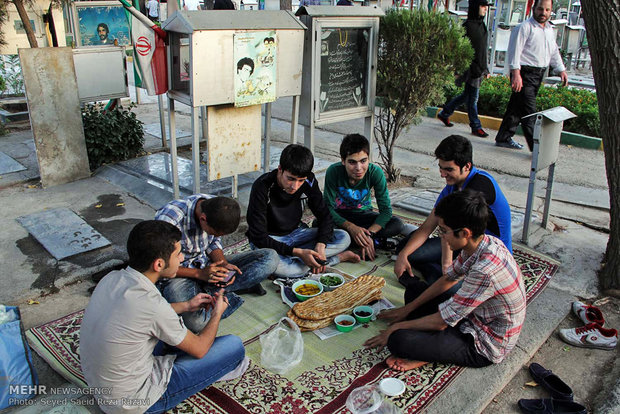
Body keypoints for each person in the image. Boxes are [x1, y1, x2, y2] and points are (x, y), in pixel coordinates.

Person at [80, 220, 247, 414]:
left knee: (165, 336)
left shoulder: (112, 278)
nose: (182, 257)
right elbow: (200, 349)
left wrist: (186, 305)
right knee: (234, 346)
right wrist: (216, 313)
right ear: (159, 264)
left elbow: (141, 314)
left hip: (102, 387)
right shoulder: (152, 305)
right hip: (134, 403)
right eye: (178, 254)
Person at [364, 191, 526, 372]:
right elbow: (449, 278)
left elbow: (441, 322)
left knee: (398, 340)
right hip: (470, 316)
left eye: (444, 231)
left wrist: (395, 328)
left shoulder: (486, 271)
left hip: (483, 342)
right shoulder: (481, 243)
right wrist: (406, 310)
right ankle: (433, 344)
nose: (442, 237)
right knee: (414, 290)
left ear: (465, 232)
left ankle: (429, 354)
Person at [395, 135, 512, 296]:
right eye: (441, 168)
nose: (443, 174)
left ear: (467, 166)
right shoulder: (451, 187)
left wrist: (447, 266)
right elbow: (427, 227)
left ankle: (435, 274)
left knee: (450, 291)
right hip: (459, 244)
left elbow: (449, 230)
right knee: (405, 248)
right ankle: (434, 274)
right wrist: (403, 255)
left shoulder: (480, 187)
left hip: (486, 255)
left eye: (449, 169)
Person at [155, 195, 278, 333]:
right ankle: (223, 294)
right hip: (178, 274)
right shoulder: (170, 219)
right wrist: (199, 274)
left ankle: (212, 291)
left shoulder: (215, 204)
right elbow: (160, 267)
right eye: (214, 232)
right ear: (203, 219)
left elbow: (213, 242)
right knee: (196, 323)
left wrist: (223, 264)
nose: (216, 236)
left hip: (207, 265)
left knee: (270, 258)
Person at [246, 144, 360, 278]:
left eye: (301, 180)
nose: (295, 186)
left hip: (297, 233)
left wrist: (321, 245)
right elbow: (258, 236)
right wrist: (298, 252)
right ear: (280, 169)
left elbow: (325, 216)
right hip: (270, 239)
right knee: (280, 266)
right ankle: (334, 259)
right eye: (290, 179)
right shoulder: (262, 187)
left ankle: (307, 261)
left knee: (343, 237)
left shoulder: (309, 181)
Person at [495, 0, 568, 150]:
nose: (543, 13)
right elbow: (515, 51)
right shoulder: (524, 28)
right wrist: (516, 74)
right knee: (530, 112)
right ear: (534, 8)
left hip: (538, 74)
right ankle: (537, 149)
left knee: (516, 107)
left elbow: (553, 51)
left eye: (547, 10)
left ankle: (503, 137)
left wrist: (561, 69)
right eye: (540, 9)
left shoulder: (549, 30)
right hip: (524, 73)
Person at [323, 134, 404, 261]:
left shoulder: (375, 173)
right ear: (343, 161)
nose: (359, 168)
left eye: (363, 161)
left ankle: (360, 241)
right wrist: (351, 227)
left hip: (364, 216)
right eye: (352, 162)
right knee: (319, 225)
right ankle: (376, 242)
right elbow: (327, 208)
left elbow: (386, 211)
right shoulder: (334, 172)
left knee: (397, 224)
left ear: (368, 159)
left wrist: (368, 234)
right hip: (342, 217)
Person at [437, 0, 492, 138]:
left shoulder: (481, 26)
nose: (485, 9)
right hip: (470, 70)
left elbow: (482, 50)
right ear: (475, 7)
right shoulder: (468, 26)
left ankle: (445, 113)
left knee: (466, 96)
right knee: (472, 99)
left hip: (478, 69)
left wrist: (485, 69)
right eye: (482, 6)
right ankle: (476, 126)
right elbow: (461, 50)